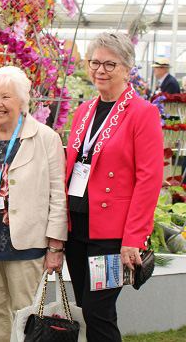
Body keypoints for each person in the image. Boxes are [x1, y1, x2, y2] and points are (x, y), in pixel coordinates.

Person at [65, 32, 163, 341]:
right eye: (95, 62)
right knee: (85, 307)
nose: (100, 71)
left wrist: (133, 237)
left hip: (110, 233)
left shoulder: (143, 113)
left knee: (98, 311)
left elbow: (149, 179)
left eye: (110, 64)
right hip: (77, 226)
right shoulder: (84, 110)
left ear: (127, 68)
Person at [0, 66, 67, 342]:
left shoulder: (46, 138)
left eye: (6, 97)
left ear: (23, 101)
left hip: (27, 244)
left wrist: (55, 246)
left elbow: (58, 196)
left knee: (27, 313)